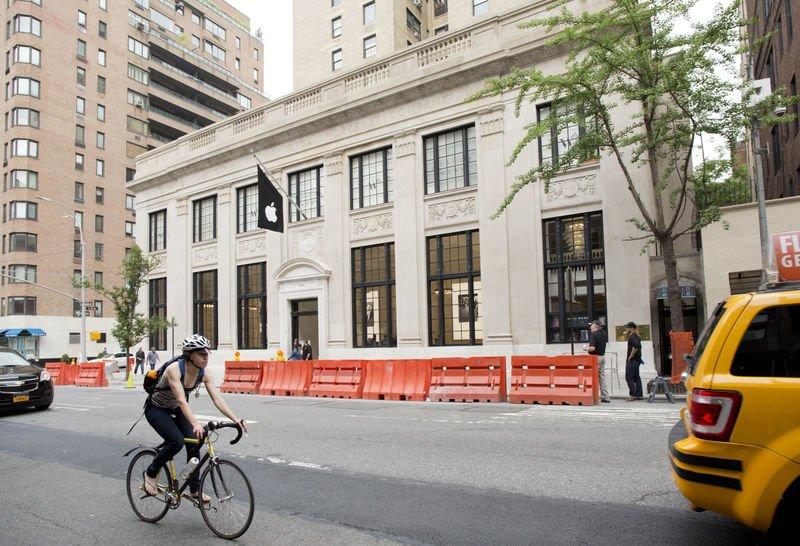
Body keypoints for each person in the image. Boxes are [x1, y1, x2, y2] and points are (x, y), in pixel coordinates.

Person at [143, 334, 247, 500]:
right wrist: (196, 423)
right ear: (190, 354)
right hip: (157, 409)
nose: (206, 358)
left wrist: (236, 420)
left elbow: (217, 399)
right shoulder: (174, 369)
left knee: (196, 442)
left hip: (175, 409)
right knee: (176, 442)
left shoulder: (205, 374)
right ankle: (151, 472)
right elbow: (181, 400)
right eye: (202, 354)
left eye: (207, 354)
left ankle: (194, 490)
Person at [586, 320, 610, 403]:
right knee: (602, 377)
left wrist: (585, 348)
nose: (590, 327)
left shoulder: (594, 335)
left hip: (595, 358)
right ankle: (605, 396)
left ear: (595, 326)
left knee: (593, 377)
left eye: (591, 325)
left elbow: (592, 348)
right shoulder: (603, 334)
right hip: (602, 356)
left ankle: (593, 396)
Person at [625, 321, 644, 401]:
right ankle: (639, 394)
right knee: (636, 377)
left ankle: (633, 394)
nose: (627, 328)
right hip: (637, 360)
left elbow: (636, 346)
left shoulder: (633, 336)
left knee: (629, 377)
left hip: (633, 360)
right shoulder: (636, 336)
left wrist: (631, 356)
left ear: (631, 328)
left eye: (628, 327)